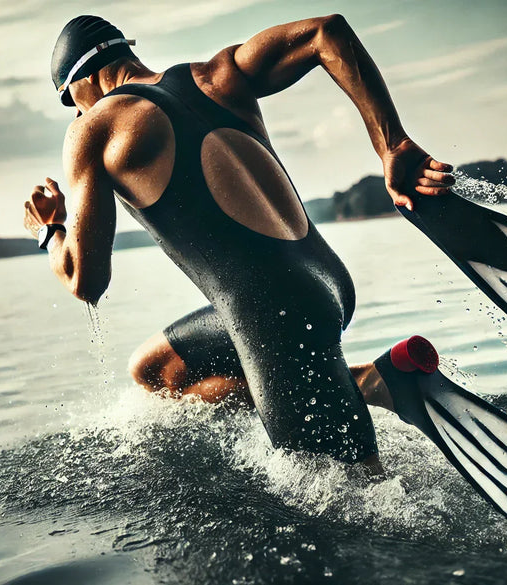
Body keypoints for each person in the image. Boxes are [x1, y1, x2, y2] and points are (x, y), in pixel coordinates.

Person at [24, 14, 457, 472]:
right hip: (329, 282)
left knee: (356, 503)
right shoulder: (217, 74)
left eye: (69, 100)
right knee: (154, 370)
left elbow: (86, 281)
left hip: (275, 318)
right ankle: (368, 382)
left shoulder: (91, 130)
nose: (75, 113)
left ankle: (343, 387)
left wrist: (49, 231)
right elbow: (326, 32)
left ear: (82, 79)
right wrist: (391, 144)